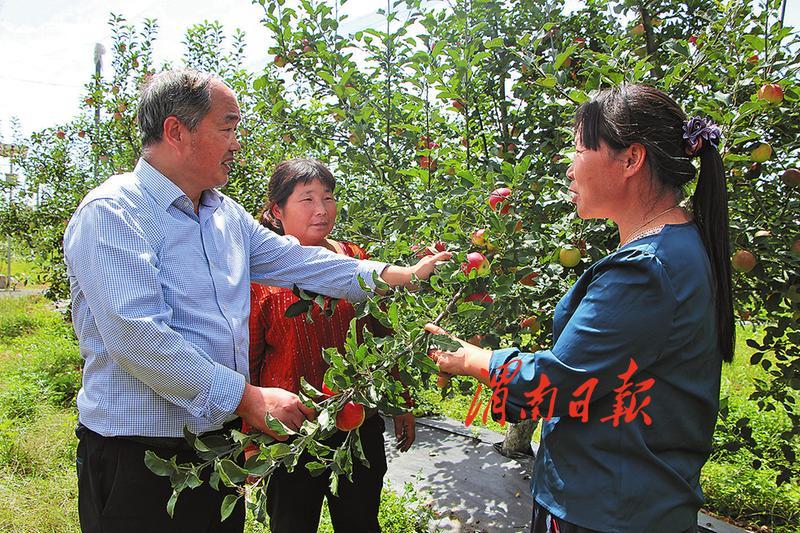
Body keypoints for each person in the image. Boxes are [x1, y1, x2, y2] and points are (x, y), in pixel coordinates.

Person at [64, 69, 449, 533]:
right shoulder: (113, 213)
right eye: (227, 128)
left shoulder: (222, 213)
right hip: (139, 455)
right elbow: (137, 337)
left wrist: (392, 274)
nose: (237, 143)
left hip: (215, 450)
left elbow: (299, 262)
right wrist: (246, 398)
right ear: (176, 131)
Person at [427, 85, 732, 533]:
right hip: (636, 497)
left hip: (605, 506)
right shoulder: (680, 245)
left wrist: (477, 360)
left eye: (579, 149)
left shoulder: (647, 268)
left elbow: (559, 382)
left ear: (631, 159)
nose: (569, 169)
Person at [244, 158, 415, 532]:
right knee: (292, 523)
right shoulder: (258, 274)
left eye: (329, 197)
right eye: (307, 199)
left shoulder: (356, 260)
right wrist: (250, 438)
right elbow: (249, 357)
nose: (322, 209)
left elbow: (384, 333)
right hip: (290, 432)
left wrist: (401, 400)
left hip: (357, 423)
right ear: (277, 209)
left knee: (360, 522)